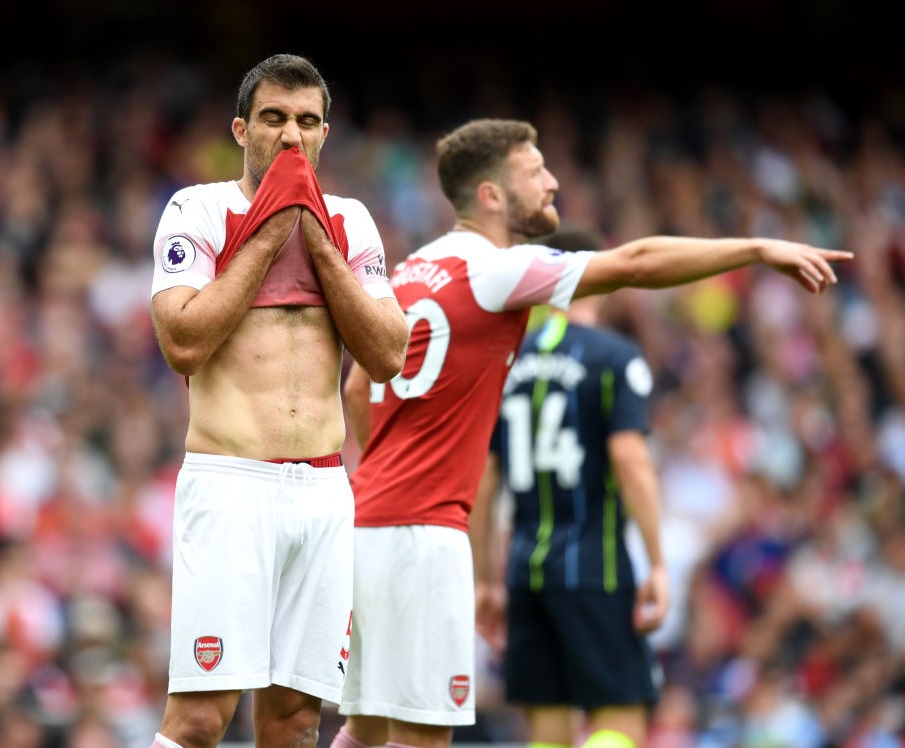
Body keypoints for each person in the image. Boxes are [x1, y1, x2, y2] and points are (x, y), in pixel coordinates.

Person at [335, 118, 851, 748]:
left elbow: (358, 388)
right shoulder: (494, 271)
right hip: (428, 535)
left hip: (366, 523)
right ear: (492, 196)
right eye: (534, 172)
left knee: (363, 732)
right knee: (423, 739)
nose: (552, 183)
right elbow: (633, 262)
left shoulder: (409, 271)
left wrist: (391, 462)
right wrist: (754, 248)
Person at [148, 53, 408, 748]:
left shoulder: (350, 222)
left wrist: (314, 236)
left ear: (326, 134)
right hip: (232, 483)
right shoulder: (198, 209)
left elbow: (388, 353)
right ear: (241, 129)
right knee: (201, 719)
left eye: (307, 122)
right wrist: (270, 227)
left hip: (323, 490)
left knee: (296, 719)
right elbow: (183, 343)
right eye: (273, 119)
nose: (291, 137)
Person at [470, 223, 668, 748]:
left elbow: (484, 482)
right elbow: (631, 459)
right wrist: (658, 563)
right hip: (595, 569)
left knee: (548, 731)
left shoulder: (509, 363)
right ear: (599, 279)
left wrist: (485, 579)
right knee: (620, 721)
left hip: (524, 571)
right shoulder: (613, 357)